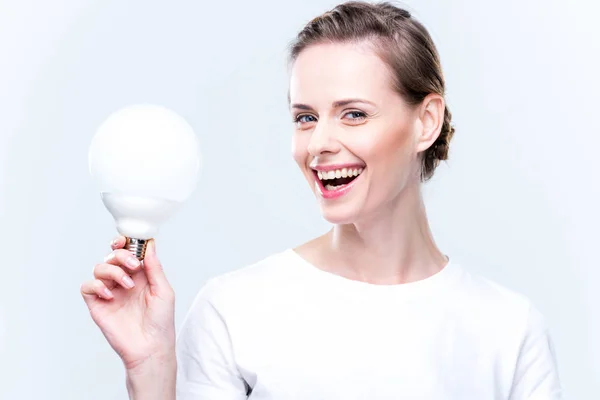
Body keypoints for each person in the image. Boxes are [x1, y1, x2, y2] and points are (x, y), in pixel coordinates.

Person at [80, 1, 563, 399]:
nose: (318, 145)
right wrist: (151, 367)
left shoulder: (509, 331)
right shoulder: (235, 309)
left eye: (353, 114)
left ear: (426, 122)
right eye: (305, 117)